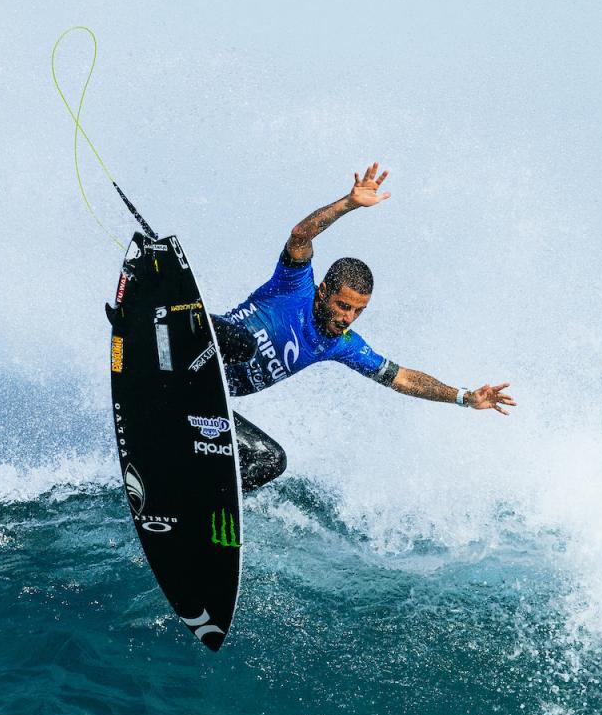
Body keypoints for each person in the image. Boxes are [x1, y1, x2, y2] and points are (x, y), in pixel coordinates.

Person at [214, 162, 516, 491]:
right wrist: (348, 204)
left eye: (358, 311)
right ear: (323, 292)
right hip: (197, 344)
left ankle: (198, 497)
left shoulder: (341, 344)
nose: (347, 318)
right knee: (243, 344)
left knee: (271, 460)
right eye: (343, 306)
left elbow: (402, 378)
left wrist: (463, 396)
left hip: (210, 398)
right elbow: (301, 236)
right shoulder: (295, 286)